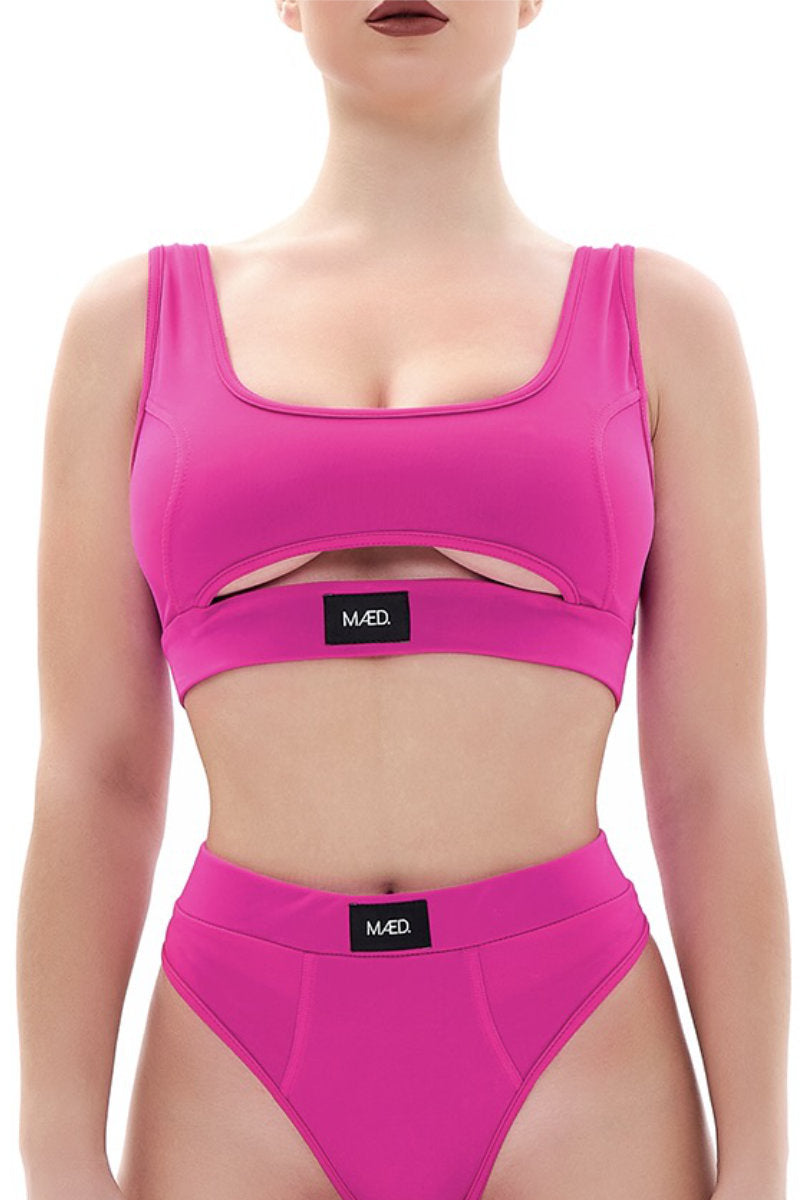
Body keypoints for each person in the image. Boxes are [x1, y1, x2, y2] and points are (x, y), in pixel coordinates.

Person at [17, 3, 790, 1199]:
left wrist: (762, 1163)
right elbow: (95, 775)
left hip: (578, 1051)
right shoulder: (128, 329)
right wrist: (56, 1150)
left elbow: (710, 781)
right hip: (235, 1057)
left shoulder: (665, 327)